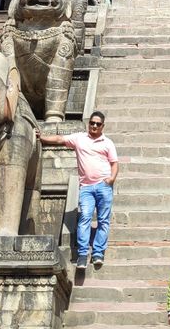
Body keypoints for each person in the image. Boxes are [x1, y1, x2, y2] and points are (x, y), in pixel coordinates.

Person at [37, 110, 118, 270]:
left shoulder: (107, 143)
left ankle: (98, 253)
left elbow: (114, 163)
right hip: (86, 187)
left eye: (98, 124)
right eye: (92, 123)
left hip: (103, 186)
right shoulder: (79, 138)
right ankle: (82, 254)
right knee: (85, 218)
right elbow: (60, 139)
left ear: (102, 126)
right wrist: (42, 137)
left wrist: (111, 179)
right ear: (89, 123)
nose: (94, 126)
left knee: (103, 220)